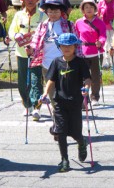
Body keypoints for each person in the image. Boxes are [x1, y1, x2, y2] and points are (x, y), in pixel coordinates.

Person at [41, 33, 91, 173]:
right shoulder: (56, 62)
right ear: (59, 47)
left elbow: (87, 79)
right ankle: (65, 160)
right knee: (61, 132)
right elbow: (51, 80)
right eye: (63, 45)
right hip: (60, 102)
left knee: (75, 133)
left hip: (75, 102)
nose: (67, 48)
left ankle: (81, 142)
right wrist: (45, 93)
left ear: (75, 46)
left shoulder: (80, 62)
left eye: (70, 45)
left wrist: (86, 89)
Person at [27, 0, 75, 120]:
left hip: (65, 63)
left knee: (65, 91)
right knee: (52, 93)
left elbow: (76, 43)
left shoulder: (68, 25)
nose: (53, 14)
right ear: (46, 11)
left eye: (56, 11)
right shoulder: (42, 25)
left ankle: (66, 115)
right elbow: (35, 42)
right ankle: (58, 118)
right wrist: (30, 49)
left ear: (61, 11)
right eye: (50, 11)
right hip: (46, 63)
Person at [7, 0, 46, 119]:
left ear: (37, 0)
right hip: (22, 53)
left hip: (38, 54)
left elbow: (47, 32)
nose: (30, 0)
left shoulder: (43, 15)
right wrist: (16, 35)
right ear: (22, 0)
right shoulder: (19, 15)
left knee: (36, 81)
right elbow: (11, 32)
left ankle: (37, 107)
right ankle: (27, 105)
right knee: (22, 83)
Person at [74, 0, 107, 106]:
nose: (89, 9)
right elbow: (76, 36)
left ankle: (95, 97)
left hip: (96, 52)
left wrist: (101, 42)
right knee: (84, 76)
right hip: (83, 53)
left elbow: (103, 35)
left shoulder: (100, 22)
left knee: (96, 76)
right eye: (86, 7)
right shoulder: (78, 22)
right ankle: (84, 98)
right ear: (83, 10)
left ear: (95, 9)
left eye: (91, 7)